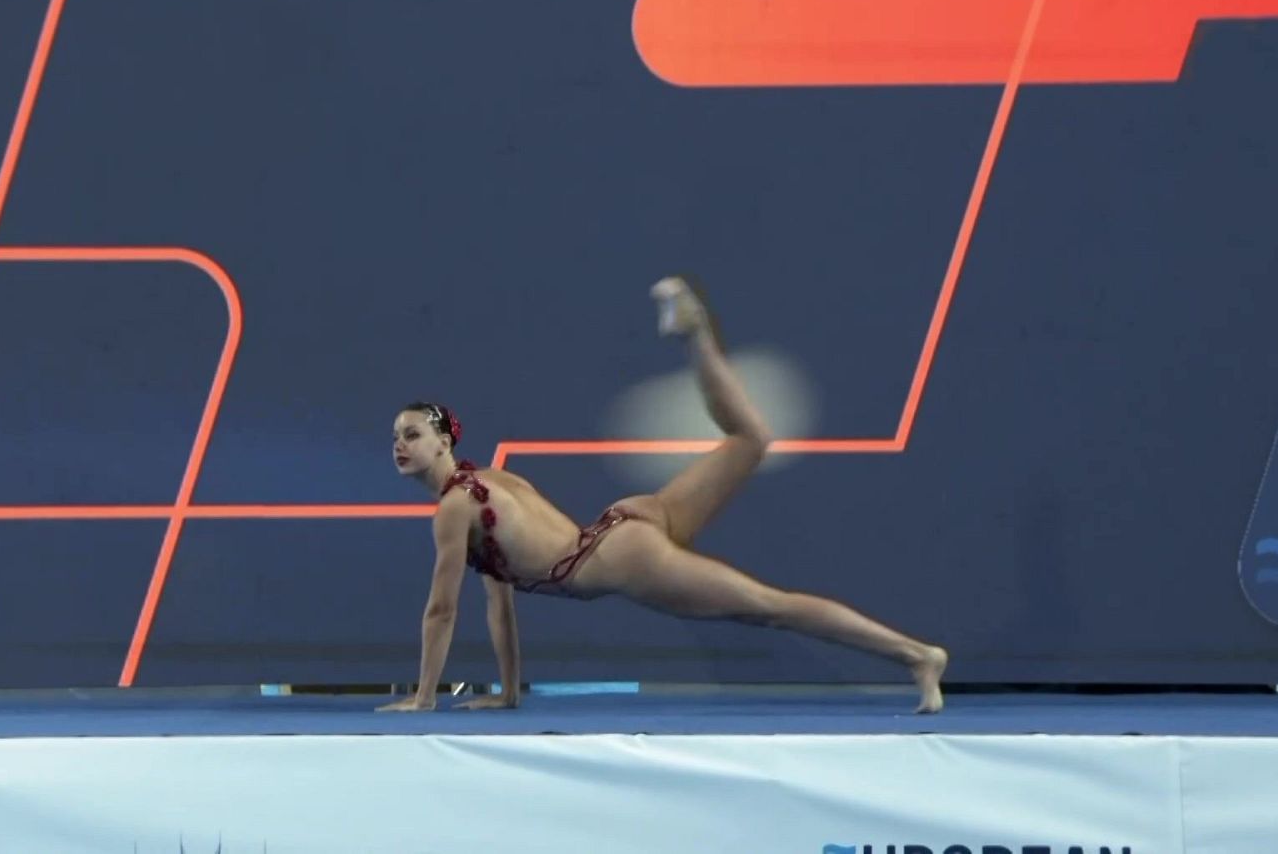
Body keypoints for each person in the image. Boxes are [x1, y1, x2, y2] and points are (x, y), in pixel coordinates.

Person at [376, 277, 948, 714]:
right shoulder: (488, 483)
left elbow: (441, 610)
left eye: (412, 435)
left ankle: (917, 655)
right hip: (620, 529)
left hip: (619, 556)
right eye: (395, 437)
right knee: (750, 439)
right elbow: (497, 605)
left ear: (445, 441)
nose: (400, 446)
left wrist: (425, 698)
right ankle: (696, 331)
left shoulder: (454, 507)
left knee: (770, 608)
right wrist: (508, 694)